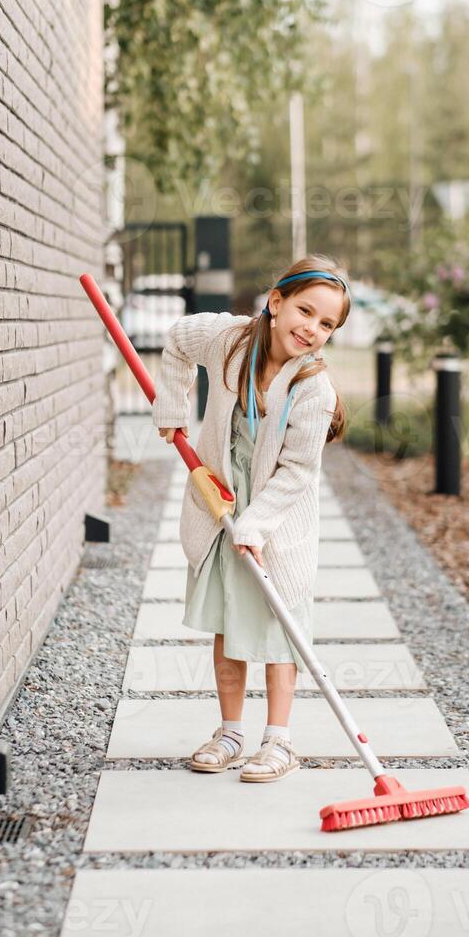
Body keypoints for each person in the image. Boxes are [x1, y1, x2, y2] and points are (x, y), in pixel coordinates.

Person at [152, 254, 351, 782]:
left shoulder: (314, 389)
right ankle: (232, 731)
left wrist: (258, 525)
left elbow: (296, 473)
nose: (311, 328)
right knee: (228, 620)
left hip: (278, 521)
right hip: (221, 503)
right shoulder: (230, 342)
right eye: (305, 311)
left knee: (279, 626)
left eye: (326, 324)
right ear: (276, 301)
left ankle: (279, 741)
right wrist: (172, 412)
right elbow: (175, 340)